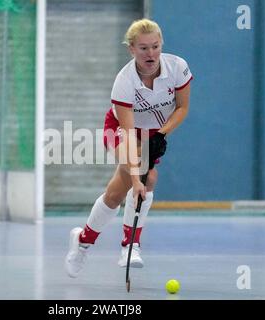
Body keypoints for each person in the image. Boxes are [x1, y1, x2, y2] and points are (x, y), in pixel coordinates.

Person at [65, 18, 193, 277]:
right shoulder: (125, 81)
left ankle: (83, 241)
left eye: (155, 46)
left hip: (153, 132)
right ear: (131, 49)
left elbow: (182, 107)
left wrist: (162, 135)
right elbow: (127, 133)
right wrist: (137, 180)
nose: (151, 54)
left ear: (161, 45)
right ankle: (130, 246)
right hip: (122, 130)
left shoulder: (177, 68)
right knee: (147, 178)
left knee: (114, 195)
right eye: (143, 48)